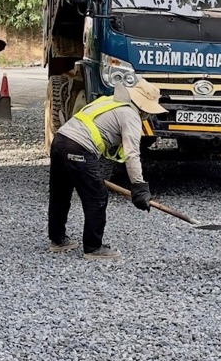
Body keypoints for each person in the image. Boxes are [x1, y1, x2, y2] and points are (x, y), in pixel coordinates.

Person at [48, 77, 167, 259]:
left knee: (61, 193)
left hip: (60, 140)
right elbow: (132, 154)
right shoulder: (131, 115)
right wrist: (140, 187)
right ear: (144, 107)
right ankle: (93, 248)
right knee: (97, 196)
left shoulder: (110, 101)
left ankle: (58, 240)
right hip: (78, 147)